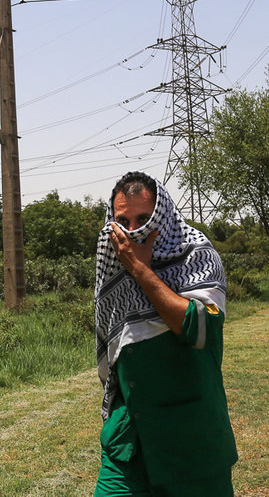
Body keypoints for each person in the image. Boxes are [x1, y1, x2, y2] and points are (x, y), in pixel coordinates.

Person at [94, 171, 237, 496]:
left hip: (192, 441)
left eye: (144, 218)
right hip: (129, 441)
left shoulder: (197, 258)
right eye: (123, 221)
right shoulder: (116, 269)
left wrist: (141, 270)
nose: (133, 231)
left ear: (164, 216)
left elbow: (200, 329)